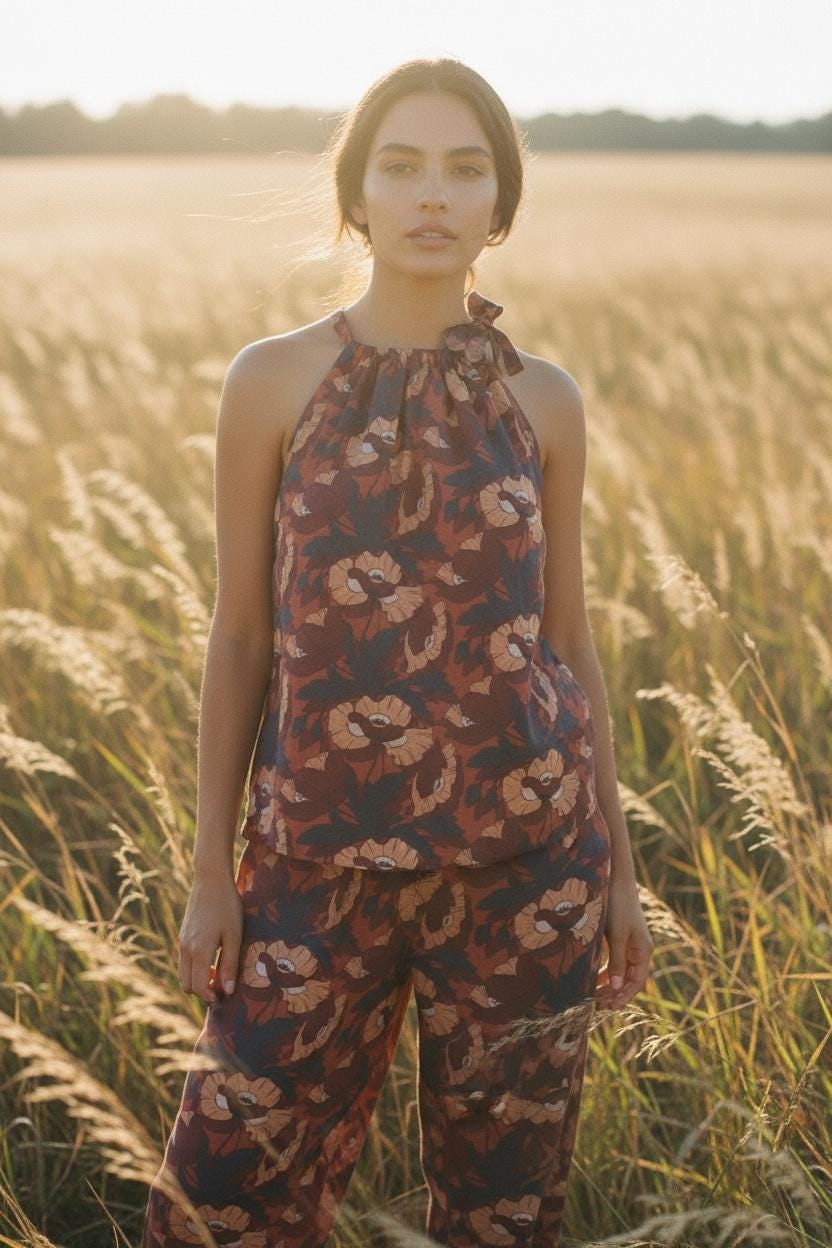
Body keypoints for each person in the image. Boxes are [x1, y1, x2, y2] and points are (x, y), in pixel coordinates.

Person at [140, 56, 653, 1248]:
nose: (434, 195)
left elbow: (567, 645)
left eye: (465, 170)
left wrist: (619, 872)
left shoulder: (545, 401)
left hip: (527, 863)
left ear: (499, 207)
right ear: (358, 195)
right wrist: (211, 868)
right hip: (313, 860)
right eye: (403, 165)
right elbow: (240, 636)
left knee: (502, 1212)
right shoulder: (273, 381)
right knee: (220, 1195)